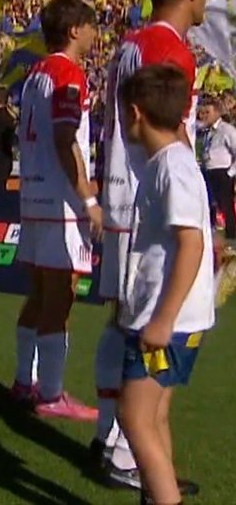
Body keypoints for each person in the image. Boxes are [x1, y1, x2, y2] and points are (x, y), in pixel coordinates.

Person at [97, 0, 205, 491]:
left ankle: (126, 453)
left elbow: (190, 241)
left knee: (135, 347)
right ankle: (126, 454)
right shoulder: (167, 50)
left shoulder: (135, 43)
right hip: (146, 211)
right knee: (144, 383)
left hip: (137, 208)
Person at [117, 64, 214, 505]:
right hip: (168, 318)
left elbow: (190, 244)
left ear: (134, 113)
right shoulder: (169, 162)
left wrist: (162, 319)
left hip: (168, 323)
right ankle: (160, 494)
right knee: (152, 416)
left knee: (133, 418)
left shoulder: (172, 167)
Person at [14, 0, 101, 421]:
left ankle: (22, 378)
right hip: (60, 200)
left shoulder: (34, 74)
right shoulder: (68, 72)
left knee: (39, 293)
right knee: (59, 296)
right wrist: (88, 197)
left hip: (33, 193)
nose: (94, 34)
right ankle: (50, 392)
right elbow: (67, 137)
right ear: (73, 30)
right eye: (90, 26)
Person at [195, 97, 236, 240]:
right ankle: (211, 235)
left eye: (207, 112)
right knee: (209, 206)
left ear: (217, 112)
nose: (203, 116)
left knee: (225, 207)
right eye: (202, 112)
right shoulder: (206, 131)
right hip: (208, 172)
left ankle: (231, 238)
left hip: (222, 172)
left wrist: (230, 173)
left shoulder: (227, 130)